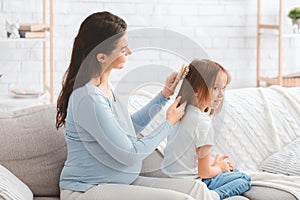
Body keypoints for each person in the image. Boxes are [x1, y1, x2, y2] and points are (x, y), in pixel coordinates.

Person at [56, 11, 214, 200]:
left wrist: (164, 96)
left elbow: (127, 130)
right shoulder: (88, 98)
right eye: (123, 49)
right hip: (88, 190)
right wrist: (168, 123)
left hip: (119, 184)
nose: (129, 52)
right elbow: (130, 154)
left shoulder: (105, 87)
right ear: (101, 57)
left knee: (198, 190)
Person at [162, 59, 251, 200]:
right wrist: (219, 168)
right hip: (194, 185)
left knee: (232, 171)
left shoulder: (178, 114)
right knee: (244, 178)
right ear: (197, 90)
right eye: (215, 88)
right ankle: (212, 196)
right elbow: (204, 173)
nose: (221, 94)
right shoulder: (203, 123)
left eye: (224, 88)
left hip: (172, 182)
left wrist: (215, 166)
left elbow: (187, 161)